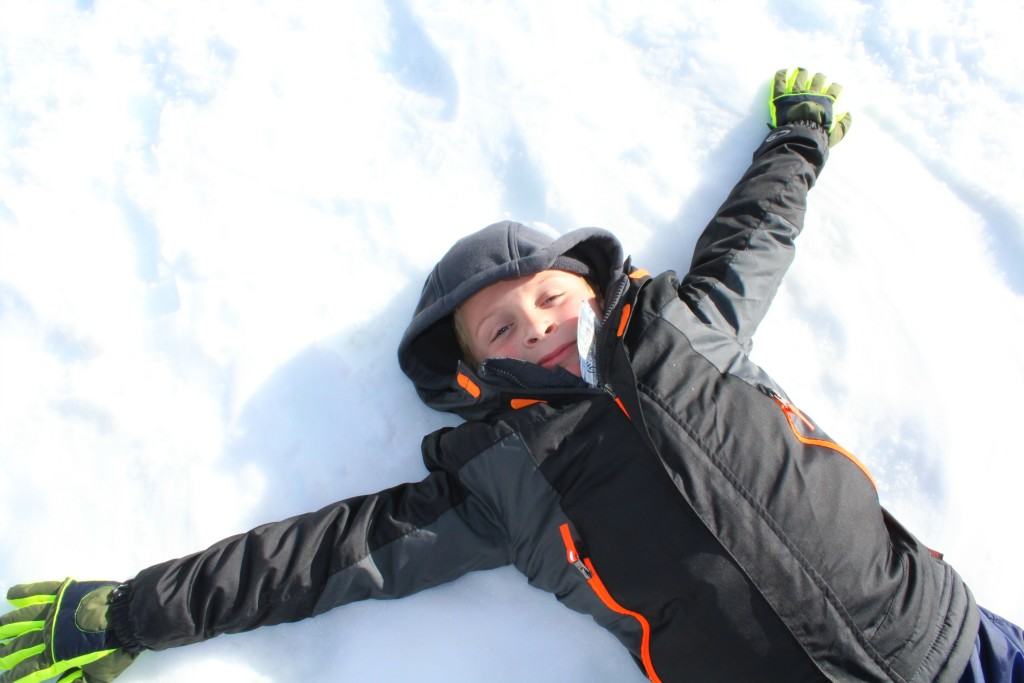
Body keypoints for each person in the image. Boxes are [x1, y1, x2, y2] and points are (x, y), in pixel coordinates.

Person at [0, 68, 1020, 683]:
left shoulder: (689, 327)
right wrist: (128, 611)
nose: (534, 323)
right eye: (500, 324)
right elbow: (309, 557)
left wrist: (795, 138)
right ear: (470, 369)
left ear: (593, 288)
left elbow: (752, 239)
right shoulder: (500, 478)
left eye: (548, 297)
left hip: (952, 640)